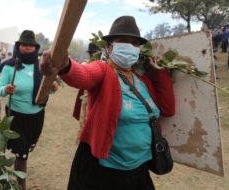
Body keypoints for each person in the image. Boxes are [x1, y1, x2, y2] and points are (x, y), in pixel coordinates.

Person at [40, 16, 175, 190]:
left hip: (139, 170)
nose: (130, 46)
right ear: (109, 47)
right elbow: (83, 74)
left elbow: (168, 109)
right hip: (102, 170)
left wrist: (160, 72)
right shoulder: (104, 70)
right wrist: (64, 66)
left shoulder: (142, 78)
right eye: (123, 41)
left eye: (135, 43)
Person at [0, 30, 58, 190]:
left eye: (31, 45)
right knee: (21, 154)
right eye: (25, 45)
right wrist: (6, 89)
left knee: (27, 150)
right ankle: (20, 186)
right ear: (18, 46)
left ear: (36, 48)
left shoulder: (42, 66)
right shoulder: (10, 66)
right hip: (16, 117)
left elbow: (46, 88)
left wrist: (52, 87)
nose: (28, 48)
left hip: (37, 116)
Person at [73, 42, 101, 143]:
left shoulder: (105, 64)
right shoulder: (86, 64)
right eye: (92, 53)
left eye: (95, 53)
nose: (93, 55)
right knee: (84, 117)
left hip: (98, 98)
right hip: (87, 96)